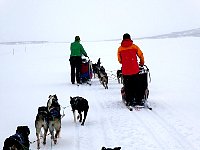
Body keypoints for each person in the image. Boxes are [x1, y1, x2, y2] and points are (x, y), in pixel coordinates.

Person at [117, 33, 145, 106]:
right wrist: (141, 63)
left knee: (127, 86)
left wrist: (125, 62)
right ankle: (139, 100)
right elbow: (141, 55)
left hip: (125, 70)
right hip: (135, 69)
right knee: (137, 84)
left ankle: (129, 100)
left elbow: (119, 60)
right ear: (130, 38)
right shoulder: (134, 47)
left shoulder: (120, 49)